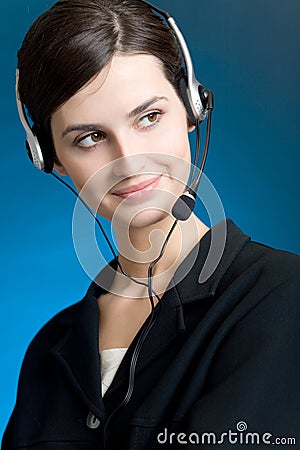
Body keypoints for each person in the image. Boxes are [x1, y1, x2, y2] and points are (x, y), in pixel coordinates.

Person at [2, 0, 300, 449]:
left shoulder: (283, 300)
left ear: (193, 109)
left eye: (149, 117)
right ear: (51, 159)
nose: (129, 161)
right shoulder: (49, 351)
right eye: (90, 137)